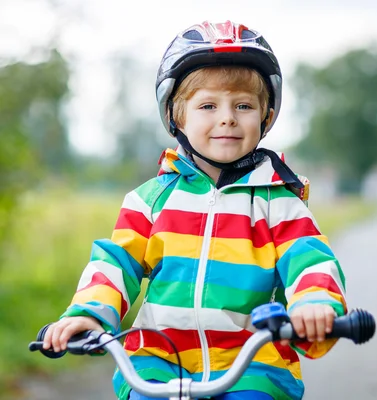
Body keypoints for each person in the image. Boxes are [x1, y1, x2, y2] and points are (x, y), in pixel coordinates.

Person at [42, 20, 347, 400]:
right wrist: (88, 314)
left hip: (252, 363)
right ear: (177, 116)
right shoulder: (150, 201)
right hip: (158, 359)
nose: (227, 118)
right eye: (208, 105)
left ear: (265, 117)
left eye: (243, 105)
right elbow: (115, 265)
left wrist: (315, 304)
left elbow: (310, 260)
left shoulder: (278, 203)